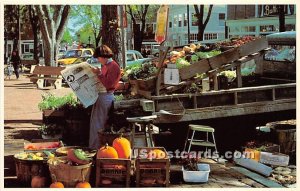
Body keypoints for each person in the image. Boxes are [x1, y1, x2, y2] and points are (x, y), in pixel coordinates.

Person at [89, 45, 121, 149]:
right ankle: (95, 146)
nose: (98, 60)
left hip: (106, 96)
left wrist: (98, 74)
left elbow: (109, 84)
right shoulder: (107, 65)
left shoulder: (113, 66)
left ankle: (97, 147)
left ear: (103, 56)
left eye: (98, 58)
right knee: (96, 123)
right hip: (102, 95)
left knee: (99, 124)